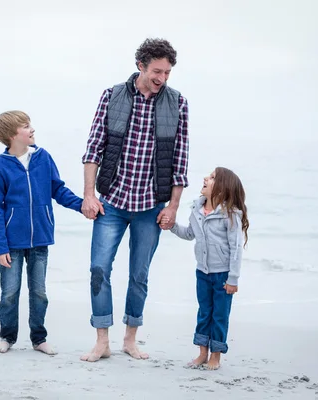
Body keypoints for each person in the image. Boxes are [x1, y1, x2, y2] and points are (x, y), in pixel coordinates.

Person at [79, 38, 190, 362]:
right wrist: (89, 194)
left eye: (167, 73)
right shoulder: (112, 96)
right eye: (157, 71)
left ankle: (130, 339)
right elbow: (93, 148)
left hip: (151, 206)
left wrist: (173, 206)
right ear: (141, 65)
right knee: (99, 269)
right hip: (111, 202)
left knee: (139, 274)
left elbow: (180, 161)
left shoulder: (178, 103)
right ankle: (102, 341)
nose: (162, 78)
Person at [0, 110, 84, 355]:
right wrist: (1, 247)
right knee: (10, 293)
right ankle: (7, 337)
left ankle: (39, 338)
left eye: (30, 125)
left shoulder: (43, 158)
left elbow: (58, 190)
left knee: (39, 292)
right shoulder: (1, 166)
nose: (32, 130)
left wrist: (82, 206)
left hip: (40, 239)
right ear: (12, 135)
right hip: (12, 243)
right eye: (26, 126)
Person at [168, 167, 249, 370]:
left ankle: (216, 356)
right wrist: (171, 226)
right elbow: (188, 234)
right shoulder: (197, 210)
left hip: (223, 275)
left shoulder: (230, 215)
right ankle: (202, 353)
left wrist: (233, 278)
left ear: (222, 188)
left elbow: (236, 248)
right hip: (202, 272)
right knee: (204, 312)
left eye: (212, 177)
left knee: (219, 315)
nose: (205, 178)